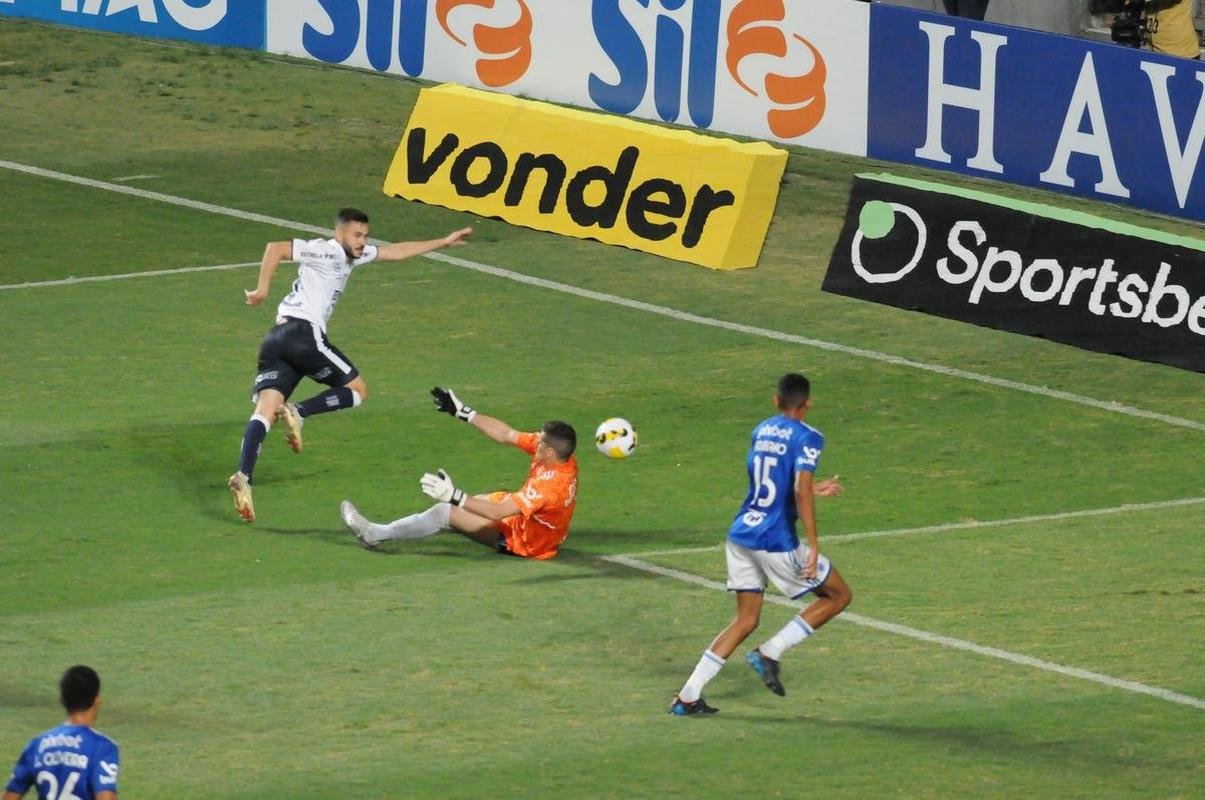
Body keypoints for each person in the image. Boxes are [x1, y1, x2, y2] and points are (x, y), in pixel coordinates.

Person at [228, 208, 472, 522]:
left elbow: (394, 252)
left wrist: (443, 241)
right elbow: (275, 248)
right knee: (356, 389)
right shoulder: (326, 249)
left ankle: (243, 476)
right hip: (303, 334)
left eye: (365, 236)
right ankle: (299, 412)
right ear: (339, 233)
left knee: (265, 410)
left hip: (275, 339)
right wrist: (261, 290)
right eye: (357, 235)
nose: (362, 241)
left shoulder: (354, 256)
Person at [669, 373, 851, 715]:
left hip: (741, 533)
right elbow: (796, 487)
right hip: (775, 540)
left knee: (745, 620)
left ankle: (687, 696)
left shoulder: (761, 429)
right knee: (839, 595)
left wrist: (813, 488)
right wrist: (812, 543)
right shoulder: (809, 437)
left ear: (775, 400)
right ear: (808, 403)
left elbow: (765, 482)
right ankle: (770, 651)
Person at [340, 387, 578, 560]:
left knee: (446, 512)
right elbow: (507, 434)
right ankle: (455, 519)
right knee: (478, 504)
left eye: (540, 441)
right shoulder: (560, 456)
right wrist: (464, 413)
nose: (535, 440)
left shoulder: (550, 486)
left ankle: (374, 534)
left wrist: (453, 496)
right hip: (538, 524)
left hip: (528, 541)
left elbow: (499, 512)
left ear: (548, 451)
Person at [4, 666, 120, 800]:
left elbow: (10, 797)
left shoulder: (36, 746)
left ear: (61, 700)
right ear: (97, 701)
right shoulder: (103, 747)